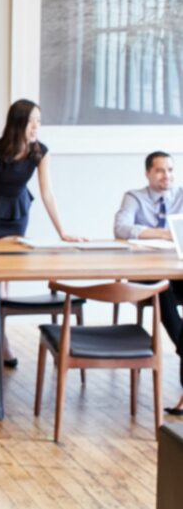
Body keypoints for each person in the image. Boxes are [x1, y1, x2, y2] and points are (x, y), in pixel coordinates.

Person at [0, 99, 84, 367]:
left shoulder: (40, 152)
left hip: (18, 210)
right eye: (31, 121)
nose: (36, 127)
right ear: (17, 123)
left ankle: (0, 337)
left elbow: (47, 193)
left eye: (39, 122)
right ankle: (1, 342)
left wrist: (63, 232)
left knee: (7, 274)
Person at [114, 150, 183, 415]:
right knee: (161, 288)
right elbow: (121, 228)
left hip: (179, 270)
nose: (167, 176)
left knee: (167, 284)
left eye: (170, 170)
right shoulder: (135, 197)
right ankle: (182, 346)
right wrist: (163, 233)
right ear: (148, 173)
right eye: (160, 170)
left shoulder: (180, 195)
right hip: (148, 273)